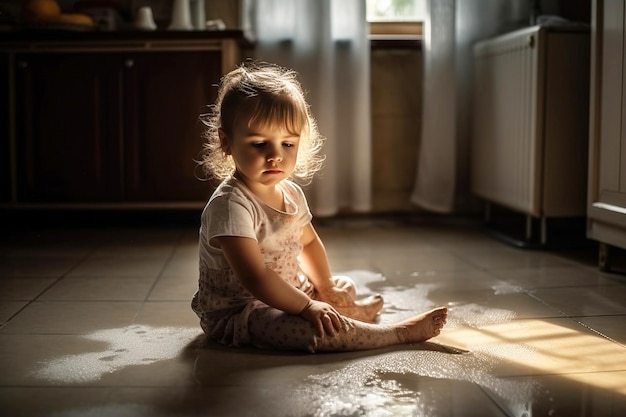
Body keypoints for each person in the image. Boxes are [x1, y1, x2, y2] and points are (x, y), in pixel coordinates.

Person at [192, 62, 447, 353]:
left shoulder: (291, 193)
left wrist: (324, 287)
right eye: (260, 144)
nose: (275, 156)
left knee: (343, 285)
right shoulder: (231, 205)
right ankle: (393, 335)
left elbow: (310, 241)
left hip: (290, 291)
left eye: (287, 144)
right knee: (307, 330)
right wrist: (308, 306)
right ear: (227, 143)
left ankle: (344, 316)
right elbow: (256, 277)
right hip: (243, 309)